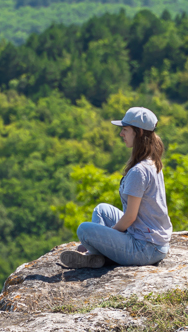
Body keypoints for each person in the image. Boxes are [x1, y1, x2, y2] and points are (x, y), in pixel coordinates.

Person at [60, 106, 172, 268]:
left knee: (84, 230)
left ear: (139, 132)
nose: (121, 134)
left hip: (145, 248)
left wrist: (106, 236)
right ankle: (98, 255)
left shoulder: (139, 171)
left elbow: (130, 217)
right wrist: (106, 237)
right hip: (153, 242)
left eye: (125, 129)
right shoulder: (152, 161)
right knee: (102, 210)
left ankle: (97, 254)